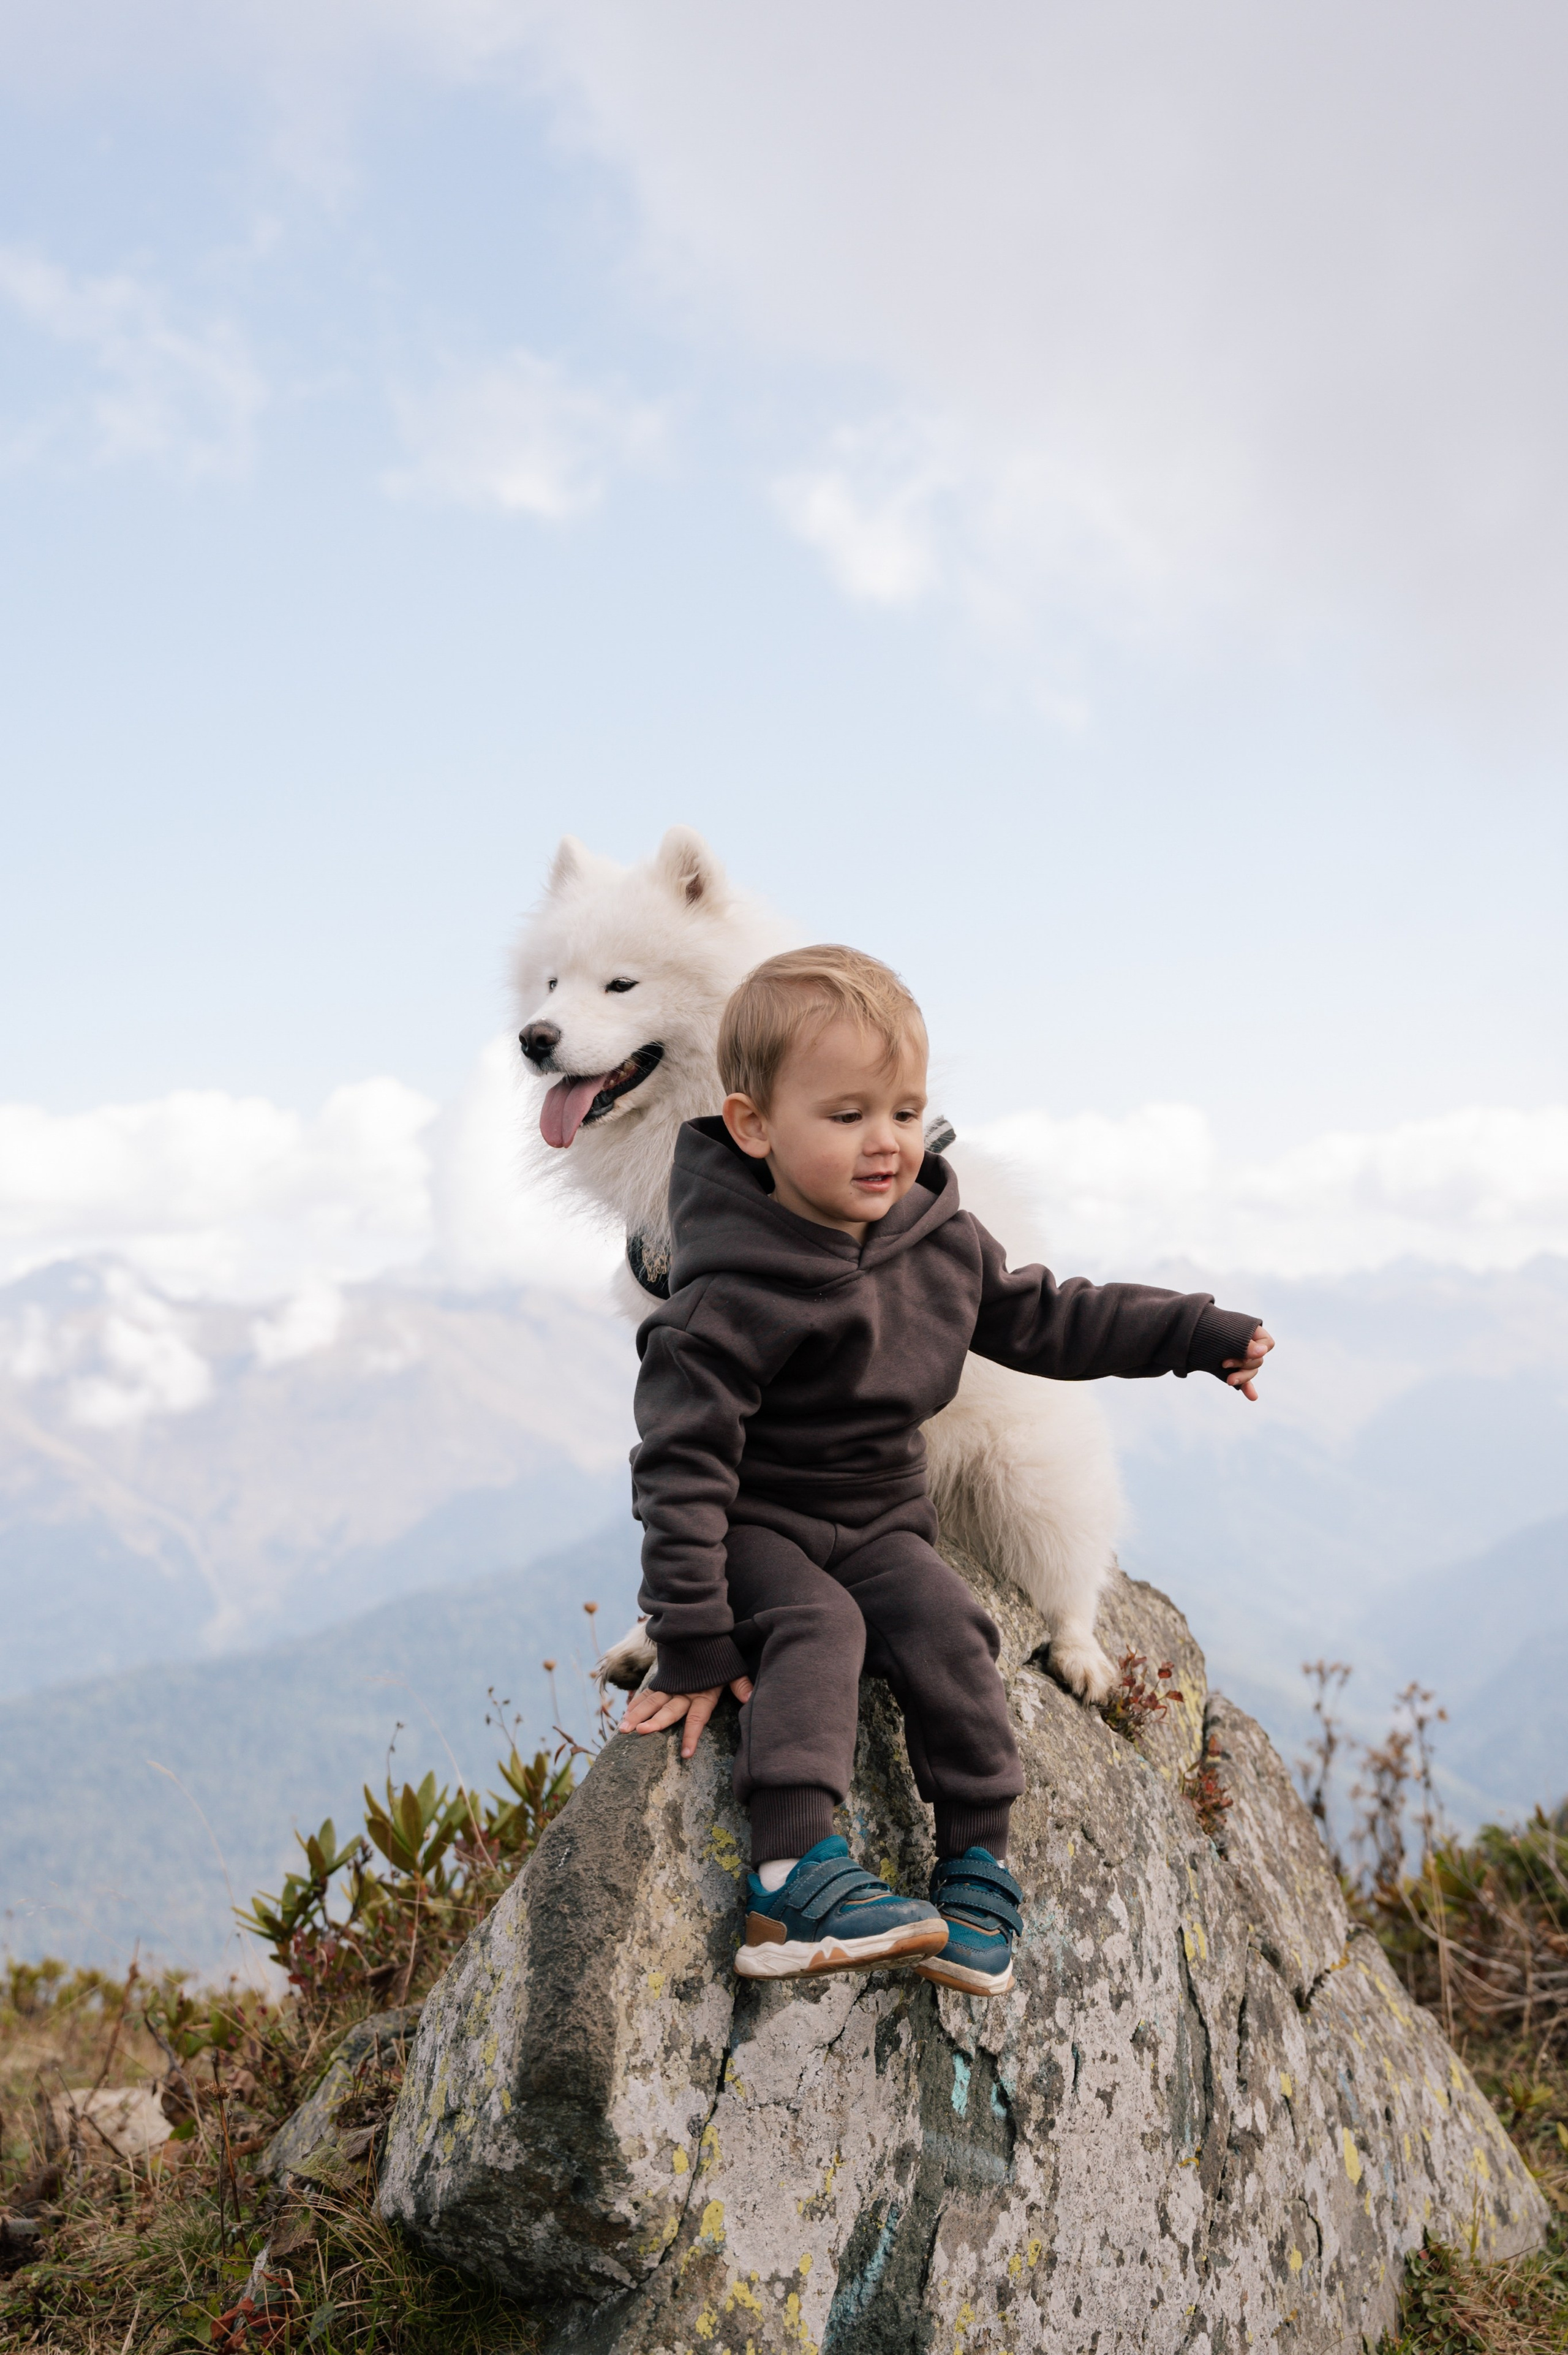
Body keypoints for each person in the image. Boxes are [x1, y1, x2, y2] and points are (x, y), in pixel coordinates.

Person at [620, 947, 1272, 1997]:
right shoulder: (722, 1293)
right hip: (760, 1527)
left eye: (905, 1111)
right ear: (752, 1127)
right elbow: (680, 1472)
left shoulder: (938, 1237)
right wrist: (691, 1640)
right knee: (820, 1628)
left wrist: (1197, 1333)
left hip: (880, 1522)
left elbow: (1055, 1317)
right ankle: (789, 1879)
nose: (885, 1143)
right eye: (845, 1117)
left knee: (951, 1624)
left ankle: (974, 1871)